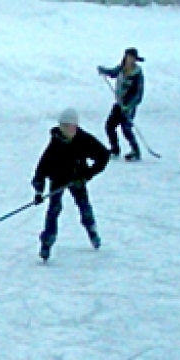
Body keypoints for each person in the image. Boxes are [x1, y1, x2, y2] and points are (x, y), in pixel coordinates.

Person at [31, 107, 110, 262]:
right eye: (63, 126)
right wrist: (39, 191)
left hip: (77, 179)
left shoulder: (84, 141)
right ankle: (47, 242)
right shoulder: (54, 145)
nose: (66, 130)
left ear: (76, 127)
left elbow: (103, 156)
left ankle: (92, 230)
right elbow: (41, 170)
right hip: (58, 180)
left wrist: (88, 174)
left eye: (69, 126)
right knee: (53, 211)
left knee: (84, 206)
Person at [97, 47, 146, 161]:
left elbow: (139, 94)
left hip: (128, 106)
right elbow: (112, 73)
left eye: (132, 58)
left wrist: (129, 106)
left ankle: (135, 151)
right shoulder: (121, 68)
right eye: (128, 57)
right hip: (119, 104)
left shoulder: (137, 74)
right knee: (109, 126)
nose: (130, 60)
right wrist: (103, 70)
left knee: (126, 128)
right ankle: (115, 148)